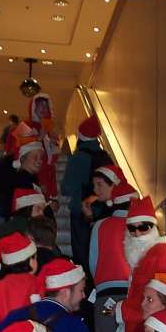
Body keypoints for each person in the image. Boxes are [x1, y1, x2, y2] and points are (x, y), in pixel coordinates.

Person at [113, 196, 166, 332]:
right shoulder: (146, 256)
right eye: (132, 228)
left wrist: (124, 310)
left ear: (153, 227)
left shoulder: (162, 256)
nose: (137, 234)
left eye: (143, 227)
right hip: (141, 330)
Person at [89, 176, 138, 332]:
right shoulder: (140, 227)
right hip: (132, 297)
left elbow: (93, 263)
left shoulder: (99, 225)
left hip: (104, 296)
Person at [60, 115, 111, 270]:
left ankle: (85, 284)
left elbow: (65, 188)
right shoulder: (106, 157)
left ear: (80, 136)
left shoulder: (78, 158)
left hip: (80, 211)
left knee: (82, 252)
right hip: (102, 211)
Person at [25, 93, 60, 200]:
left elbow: (53, 159)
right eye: (40, 105)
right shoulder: (25, 125)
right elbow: (21, 151)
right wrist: (39, 137)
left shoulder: (50, 128)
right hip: (33, 174)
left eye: (46, 106)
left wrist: (54, 144)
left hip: (47, 175)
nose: (43, 108)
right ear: (33, 107)